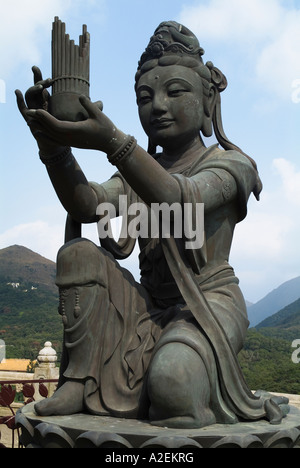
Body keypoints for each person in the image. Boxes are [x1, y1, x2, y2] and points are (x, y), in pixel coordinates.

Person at [15, 21, 284, 428]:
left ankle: (195, 387)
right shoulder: (139, 173)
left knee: (173, 385)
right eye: (145, 96)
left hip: (207, 305)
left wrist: (112, 142)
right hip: (146, 306)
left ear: (208, 100)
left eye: (175, 92)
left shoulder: (231, 165)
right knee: (79, 253)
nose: (157, 105)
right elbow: (87, 204)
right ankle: (79, 380)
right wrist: (53, 145)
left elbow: (181, 196)